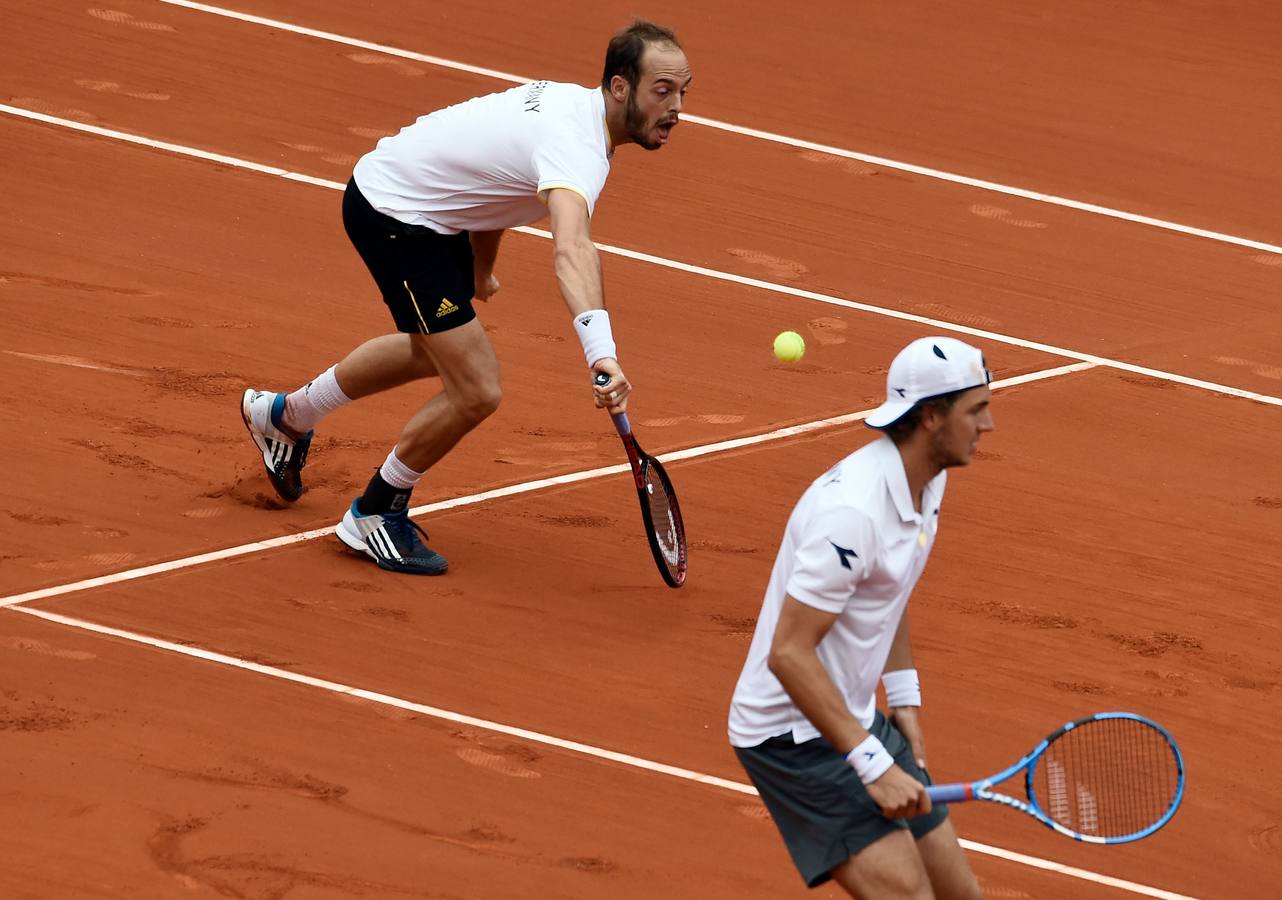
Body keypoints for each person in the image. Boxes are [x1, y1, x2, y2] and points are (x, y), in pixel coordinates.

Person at [238, 20, 691, 575]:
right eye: (662, 91)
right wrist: (602, 354)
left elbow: (494, 185)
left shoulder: (577, 112)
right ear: (620, 87)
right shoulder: (577, 149)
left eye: (682, 92)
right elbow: (572, 249)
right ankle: (375, 514)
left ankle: (284, 417)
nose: (675, 108)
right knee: (477, 387)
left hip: (426, 206)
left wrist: (482, 268)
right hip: (395, 214)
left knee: (432, 351)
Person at [728, 336, 994, 898]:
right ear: (930, 418)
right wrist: (871, 763)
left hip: (848, 716)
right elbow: (788, 653)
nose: (988, 425)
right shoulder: (851, 515)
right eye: (976, 410)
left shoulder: (928, 479)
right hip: (789, 736)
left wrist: (903, 699)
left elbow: (888, 592)